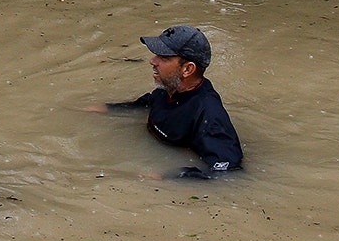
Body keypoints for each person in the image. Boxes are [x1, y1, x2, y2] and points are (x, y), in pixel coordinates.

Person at [100, 25, 242, 178]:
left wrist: (169, 176)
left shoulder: (209, 114)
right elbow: (146, 102)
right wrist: (106, 108)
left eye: (163, 57)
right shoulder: (168, 88)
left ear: (187, 69)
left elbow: (227, 169)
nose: (152, 61)